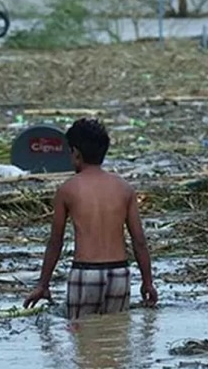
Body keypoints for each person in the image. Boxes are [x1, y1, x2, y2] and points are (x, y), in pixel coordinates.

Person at [23, 118, 157, 319]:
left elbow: (55, 242)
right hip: (119, 274)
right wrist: (148, 282)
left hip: (86, 274)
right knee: (115, 337)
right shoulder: (124, 189)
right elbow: (139, 241)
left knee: (82, 339)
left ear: (76, 153)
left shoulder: (67, 189)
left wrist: (43, 284)